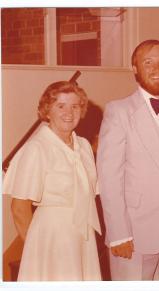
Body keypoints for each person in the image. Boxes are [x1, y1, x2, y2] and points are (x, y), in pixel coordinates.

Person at [96, 39, 159, 280]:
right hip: (135, 229)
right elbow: (109, 178)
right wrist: (119, 233)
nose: (156, 68)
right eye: (147, 62)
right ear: (135, 68)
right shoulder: (118, 111)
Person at [3, 81, 102, 281]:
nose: (69, 112)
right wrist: (37, 248)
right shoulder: (37, 148)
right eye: (60, 106)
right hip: (51, 236)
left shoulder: (83, 146)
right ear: (47, 111)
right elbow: (19, 208)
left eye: (75, 106)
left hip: (83, 234)